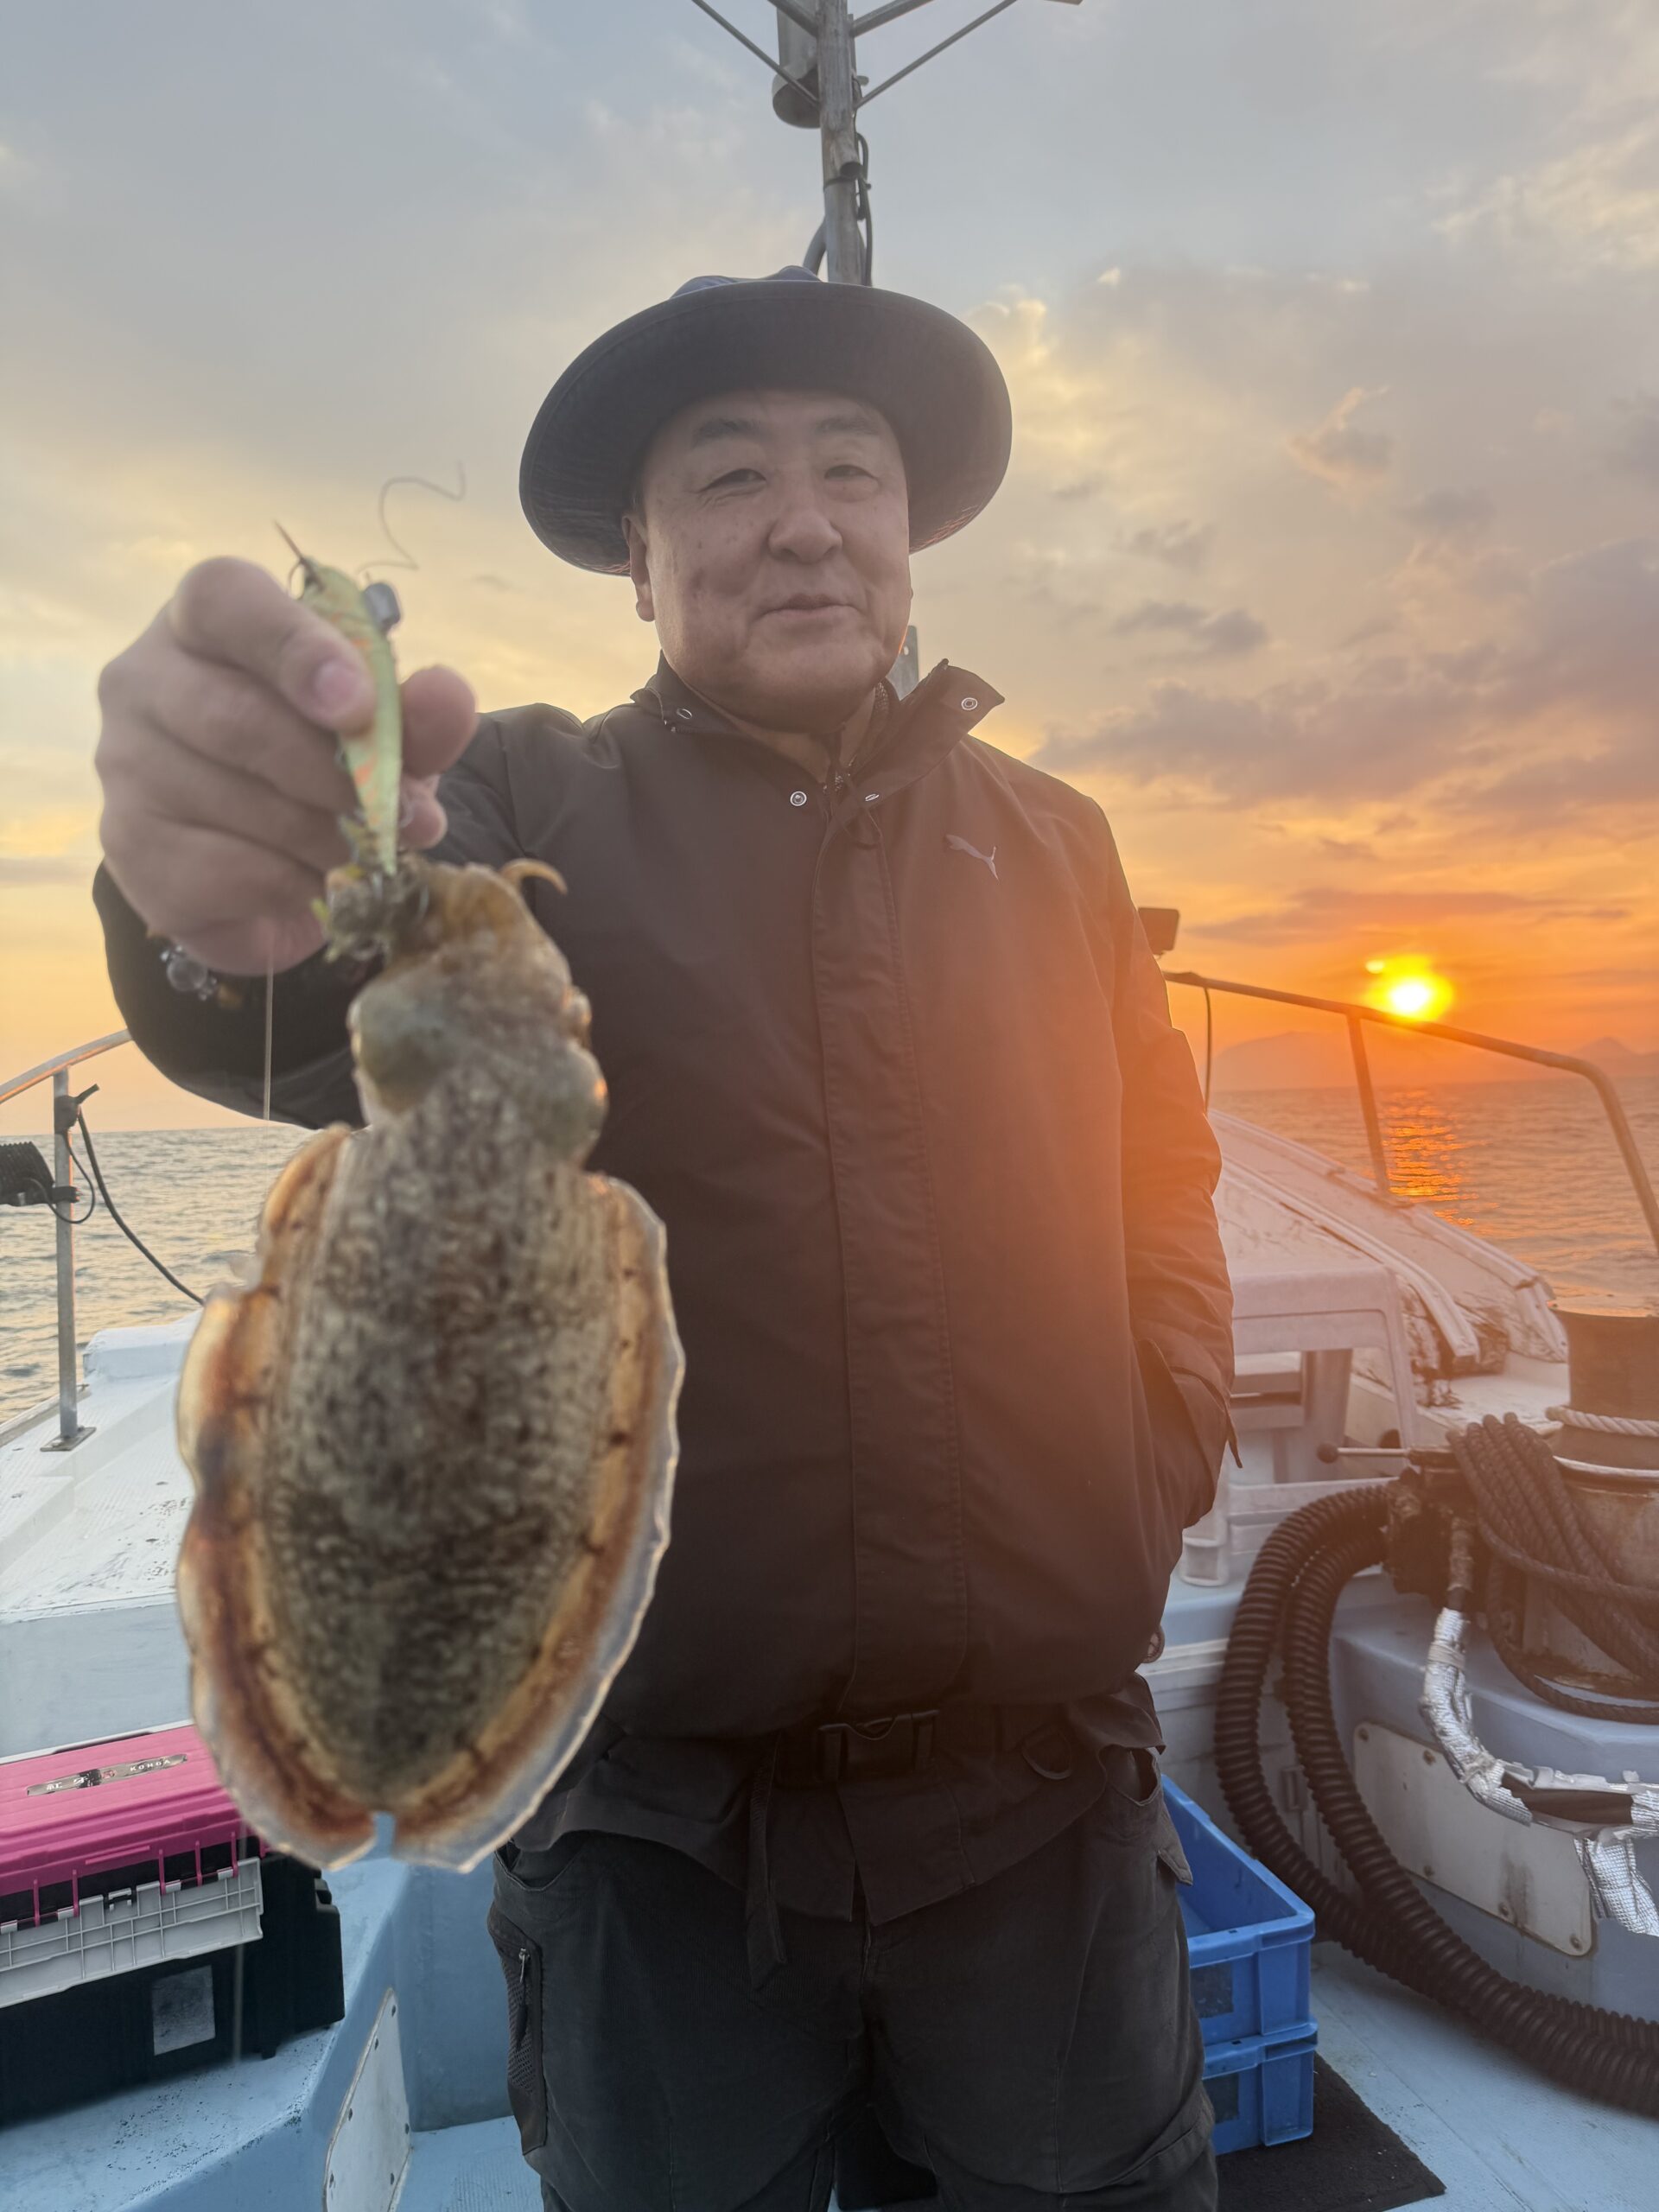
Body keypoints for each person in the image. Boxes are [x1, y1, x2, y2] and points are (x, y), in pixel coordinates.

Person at [93, 269, 1235, 2212]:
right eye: (727, 476)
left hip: (1047, 1813)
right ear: (636, 558)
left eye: (851, 470)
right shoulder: (524, 796)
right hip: (654, 1847)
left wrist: (1164, 1438)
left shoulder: (1060, 840)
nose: (804, 521)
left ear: (908, 526)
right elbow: (294, 986)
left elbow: (1162, 1177)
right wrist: (204, 895)